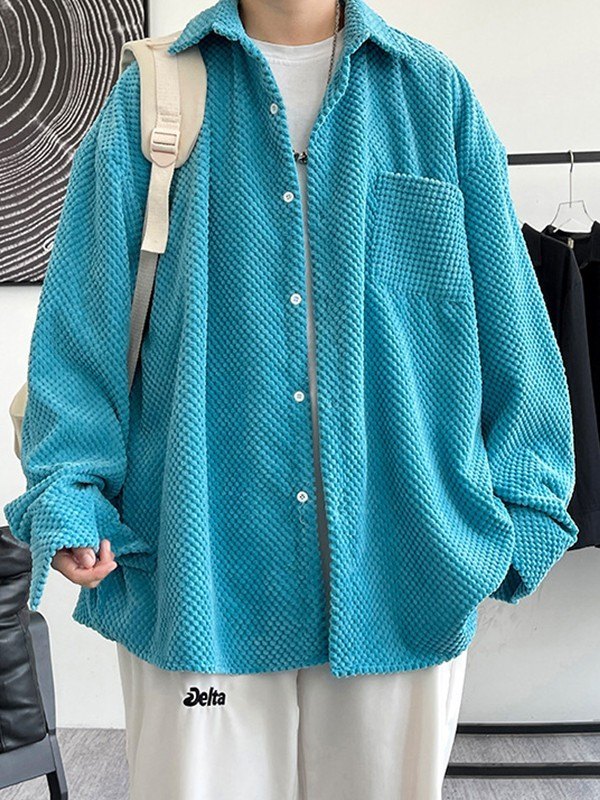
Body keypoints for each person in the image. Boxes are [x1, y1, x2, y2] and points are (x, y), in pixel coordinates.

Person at [4, 0, 578, 797]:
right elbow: (83, 325)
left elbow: (511, 325)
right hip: (199, 573)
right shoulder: (152, 97)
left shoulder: (432, 94)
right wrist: (71, 496)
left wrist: (524, 518)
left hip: (404, 570)